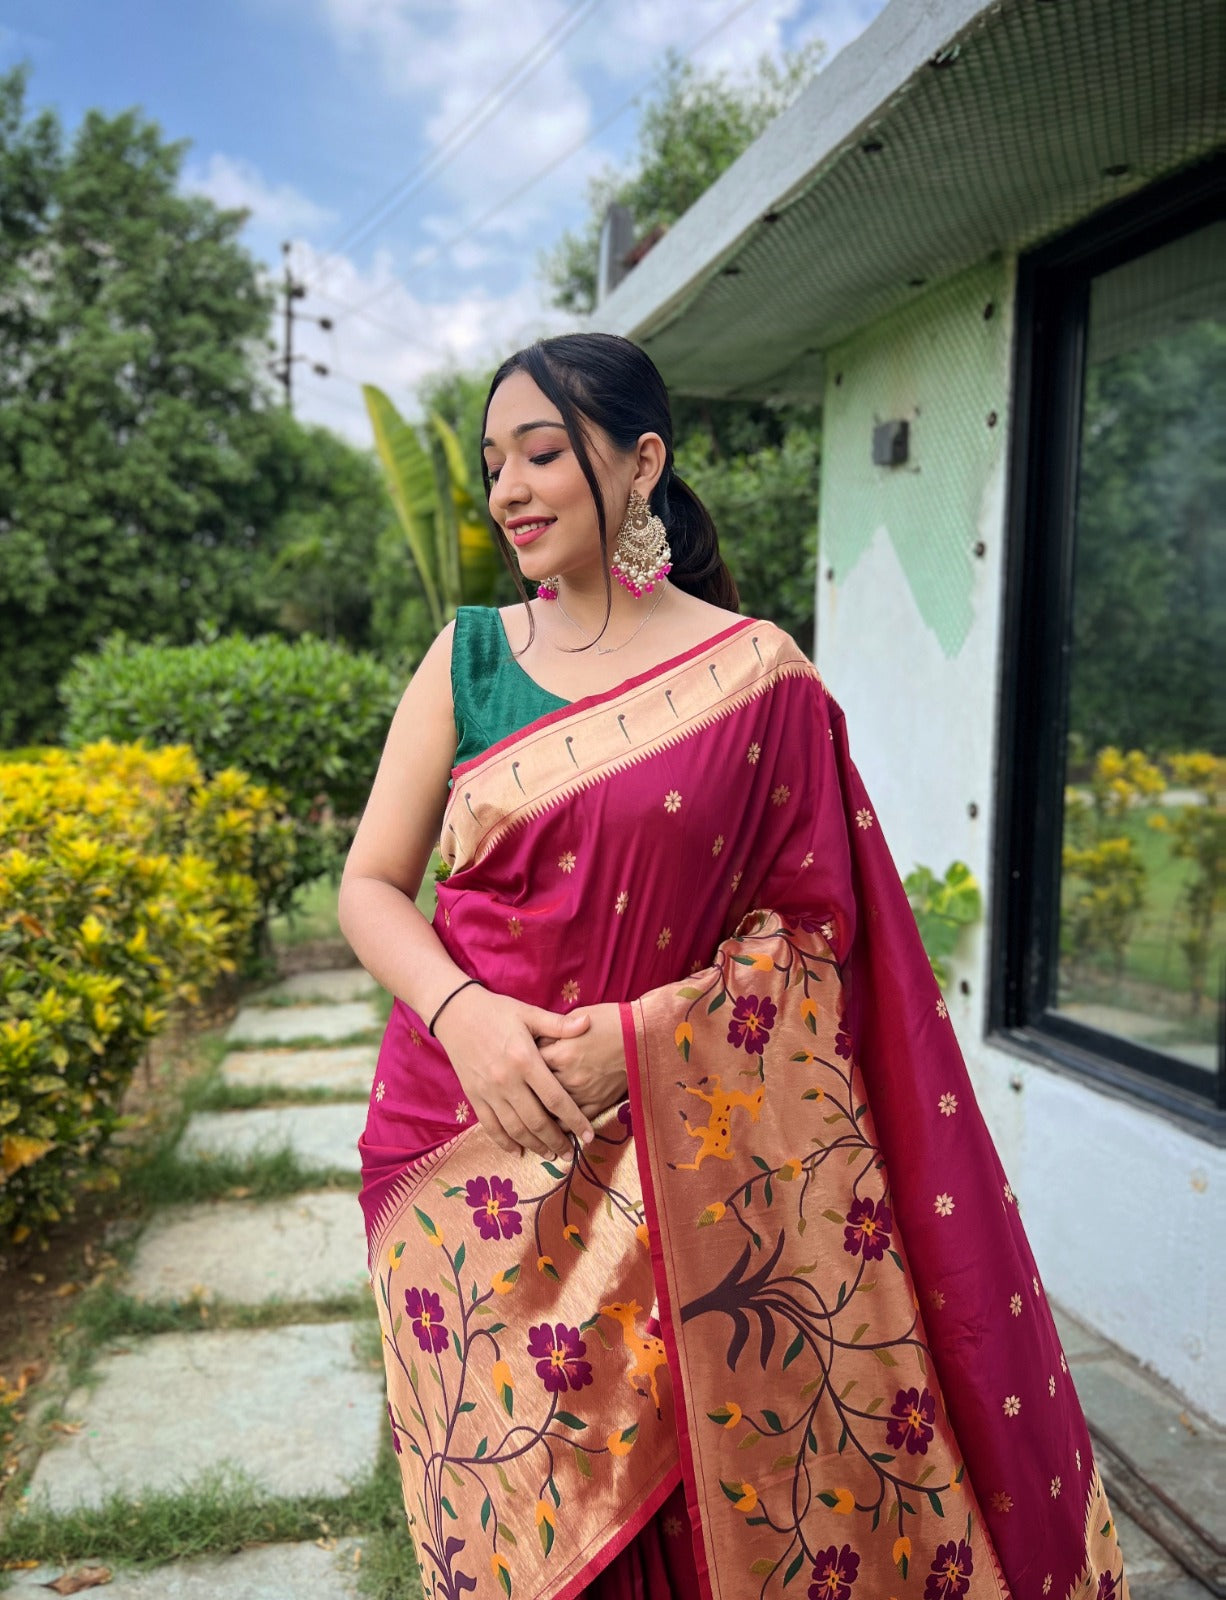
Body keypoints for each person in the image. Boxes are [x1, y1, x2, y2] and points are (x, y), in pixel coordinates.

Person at [339, 333, 1129, 1600]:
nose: (508, 492)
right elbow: (369, 886)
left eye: (540, 454)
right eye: (493, 465)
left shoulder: (758, 680)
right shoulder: (468, 657)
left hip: (687, 1178)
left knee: (711, 1514)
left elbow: (815, 946)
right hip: (470, 1149)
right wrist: (465, 1015)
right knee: (525, 1527)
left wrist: (644, 1039)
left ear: (639, 461)